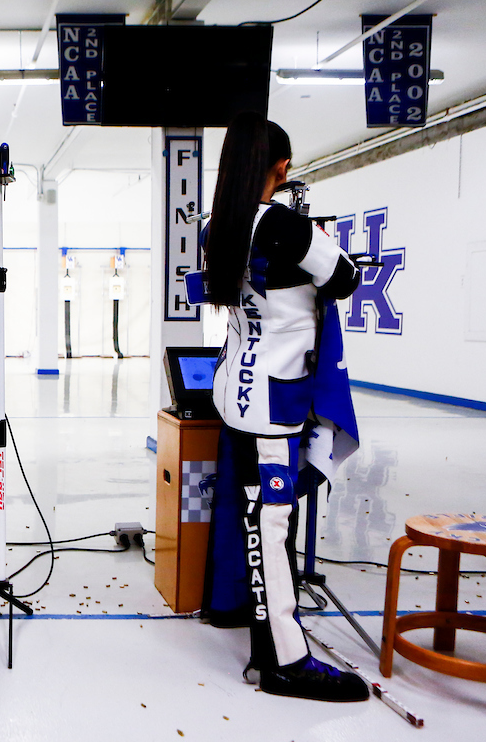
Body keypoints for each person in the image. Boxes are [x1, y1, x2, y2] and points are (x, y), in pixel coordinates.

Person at [202, 112, 368, 702]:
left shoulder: (215, 227)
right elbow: (344, 278)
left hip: (237, 392)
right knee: (272, 528)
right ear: (282, 167)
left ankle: (266, 648)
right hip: (275, 400)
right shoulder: (283, 225)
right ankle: (286, 663)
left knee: (259, 524)